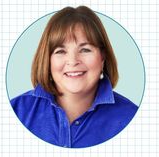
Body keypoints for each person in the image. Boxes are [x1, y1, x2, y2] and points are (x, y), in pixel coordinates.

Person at [10, 6, 138, 148]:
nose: (72, 61)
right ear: (47, 60)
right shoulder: (16, 110)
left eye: (85, 50)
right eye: (60, 51)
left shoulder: (132, 117)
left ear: (102, 57)